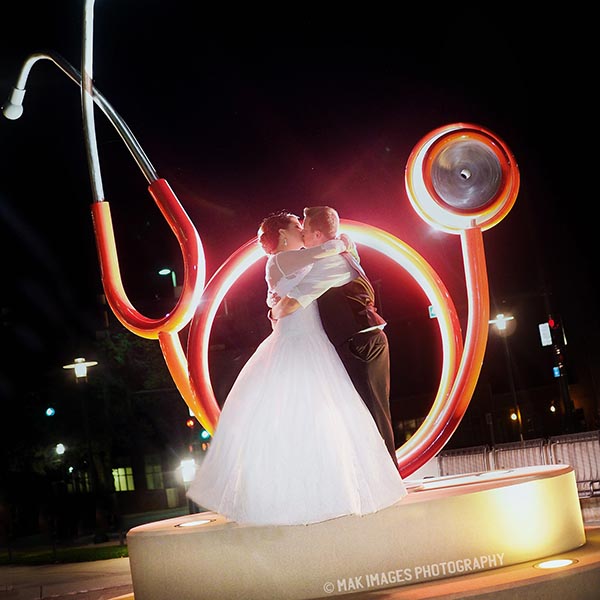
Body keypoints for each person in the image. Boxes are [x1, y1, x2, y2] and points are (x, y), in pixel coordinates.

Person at [186, 210, 406, 526]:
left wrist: (276, 306)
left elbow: (319, 274)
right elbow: (324, 252)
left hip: (316, 343)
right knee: (300, 416)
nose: (302, 230)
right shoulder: (278, 260)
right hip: (299, 343)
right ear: (284, 235)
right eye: (296, 226)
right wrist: (342, 240)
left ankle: (332, 488)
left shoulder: (300, 261)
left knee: (330, 419)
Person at [271, 206, 398, 469]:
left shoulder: (331, 262)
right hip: (361, 341)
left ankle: (388, 477)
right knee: (367, 411)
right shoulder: (340, 251)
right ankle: (379, 476)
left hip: (360, 343)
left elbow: (292, 303)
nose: (303, 235)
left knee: (371, 412)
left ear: (317, 235)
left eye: (305, 230)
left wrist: (274, 308)